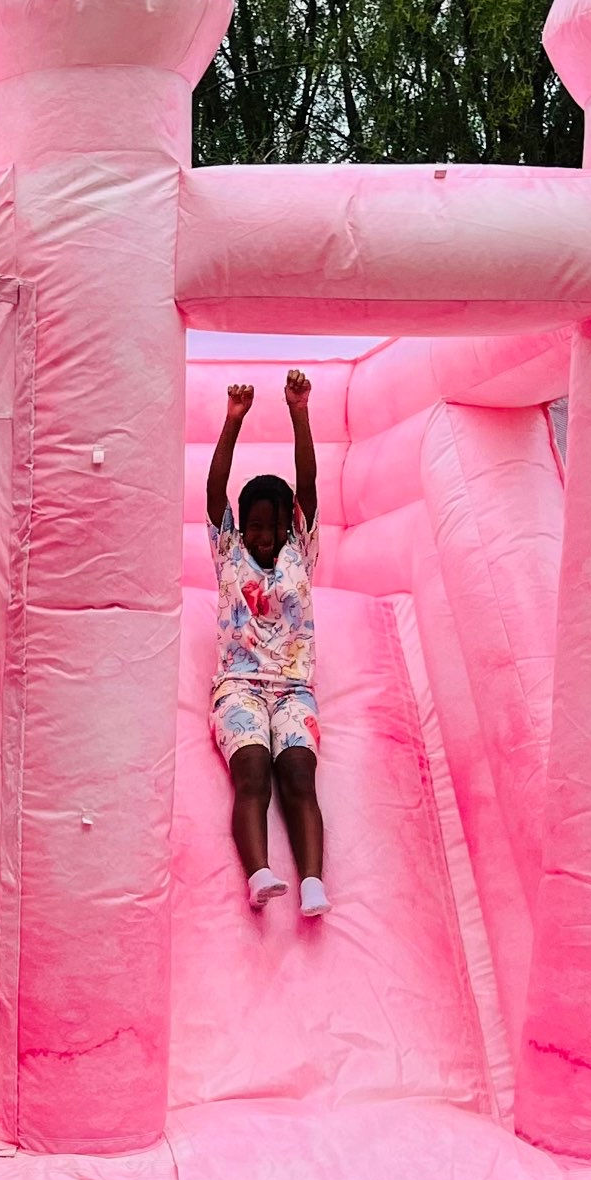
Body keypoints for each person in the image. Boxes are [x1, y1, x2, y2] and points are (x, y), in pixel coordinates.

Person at [205, 369, 328, 917]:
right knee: (253, 772)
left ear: (287, 528)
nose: (260, 536)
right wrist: (234, 420)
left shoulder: (300, 552)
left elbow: (308, 488)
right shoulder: (229, 553)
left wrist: (299, 412)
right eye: (252, 526)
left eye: (270, 527)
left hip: (294, 689)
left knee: (299, 775)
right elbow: (215, 492)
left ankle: (312, 883)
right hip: (239, 689)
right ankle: (259, 873)